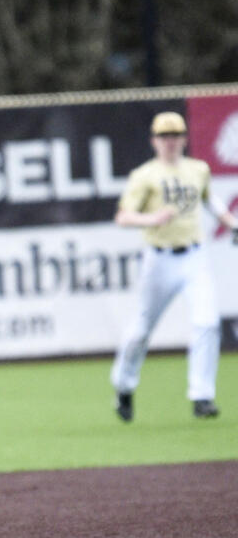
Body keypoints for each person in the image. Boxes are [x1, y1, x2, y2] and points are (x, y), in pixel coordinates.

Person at [111, 110, 238, 422]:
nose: (170, 141)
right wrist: (151, 218)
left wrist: (231, 222)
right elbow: (123, 216)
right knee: (140, 331)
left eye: (175, 135)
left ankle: (202, 396)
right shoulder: (145, 175)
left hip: (194, 256)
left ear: (184, 138)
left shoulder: (198, 169)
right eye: (164, 136)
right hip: (159, 259)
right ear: (154, 140)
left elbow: (209, 200)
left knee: (207, 322)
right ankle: (124, 386)